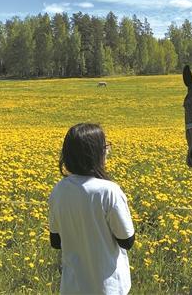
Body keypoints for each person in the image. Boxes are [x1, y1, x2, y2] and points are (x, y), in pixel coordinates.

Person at [49, 123, 135, 294]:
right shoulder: (108, 191)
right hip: (108, 287)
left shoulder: (58, 190)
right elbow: (127, 240)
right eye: (105, 147)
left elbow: (56, 242)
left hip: (72, 286)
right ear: (95, 153)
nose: (107, 151)